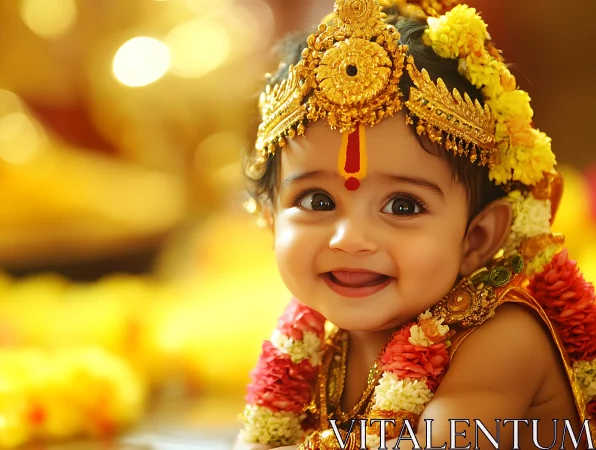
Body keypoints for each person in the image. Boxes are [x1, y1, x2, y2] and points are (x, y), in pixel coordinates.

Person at [233, 0, 596, 448]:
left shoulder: (503, 339)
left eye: (403, 206)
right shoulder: (315, 343)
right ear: (271, 220)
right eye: (317, 200)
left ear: (477, 237)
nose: (349, 239)